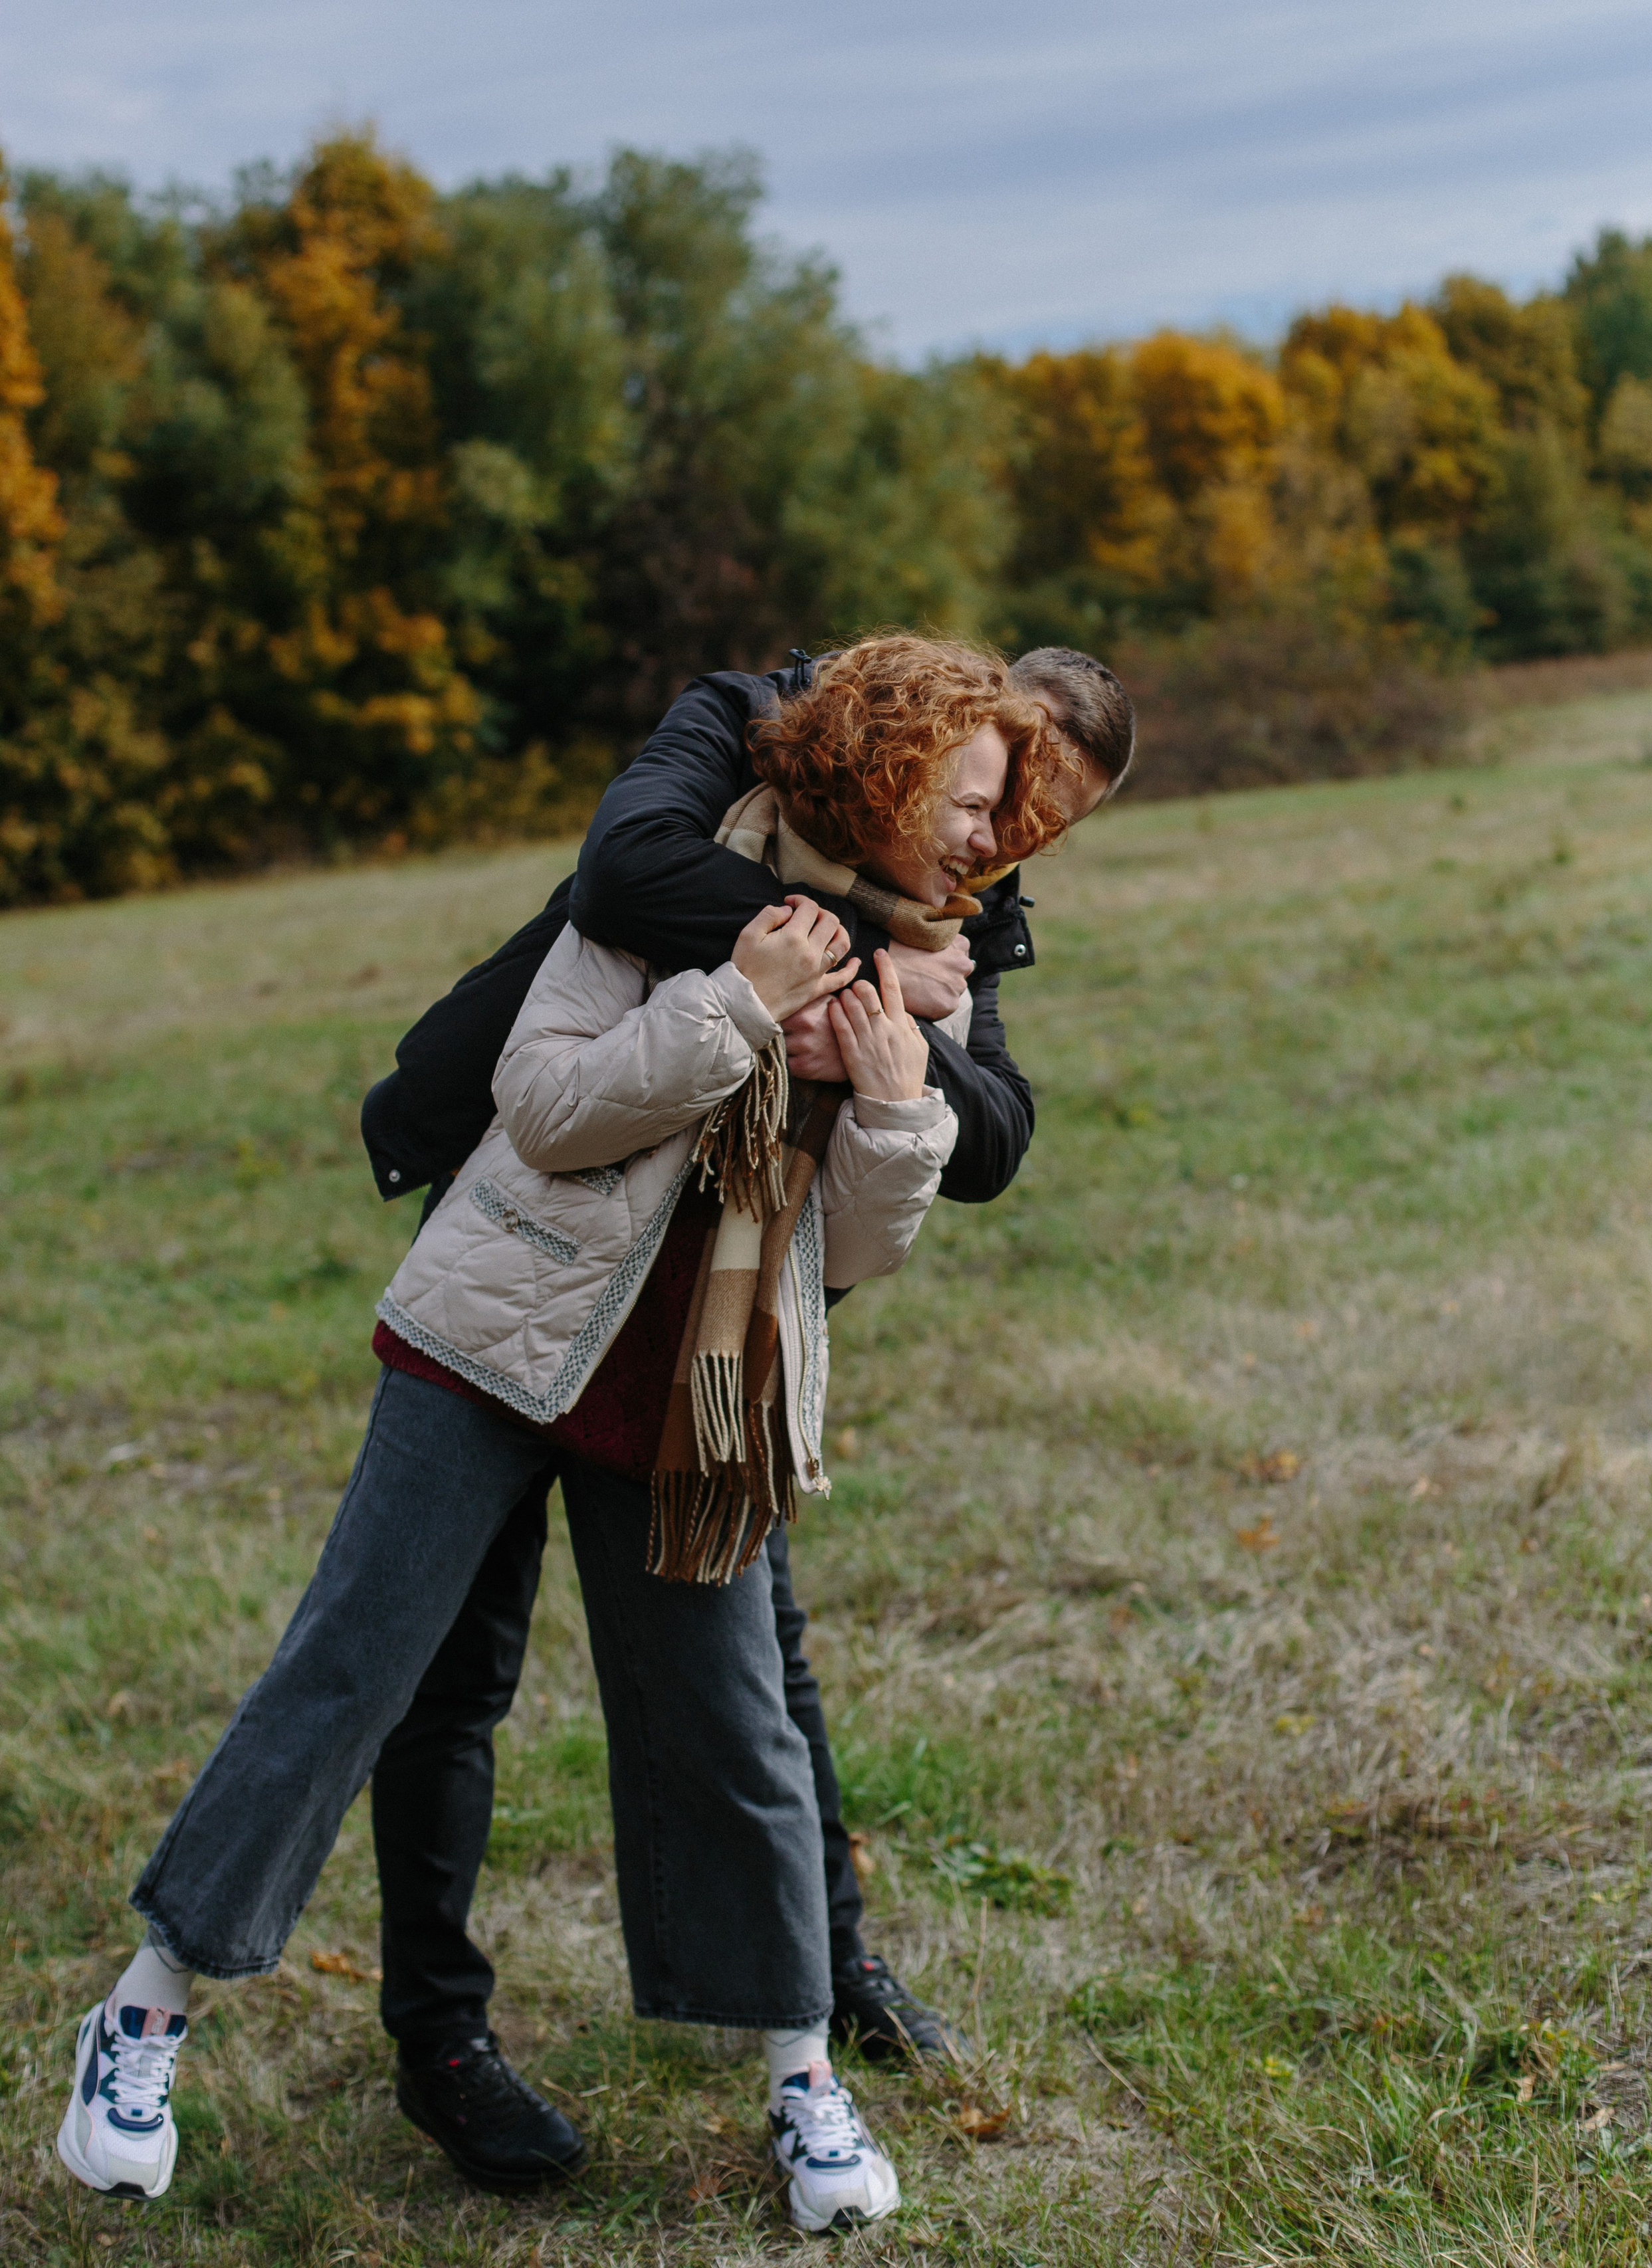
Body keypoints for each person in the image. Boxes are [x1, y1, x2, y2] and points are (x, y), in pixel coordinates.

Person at [58, 637, 1065, 2235]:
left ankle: (802, 2077)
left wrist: (889, 1106)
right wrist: (744, 1007)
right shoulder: (688, 881)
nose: (981, 842)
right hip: (495, 1338)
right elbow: (544, 1106)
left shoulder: (933, 961)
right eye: (961, 803)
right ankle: (144, 2013)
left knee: (733, 1733)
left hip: (696, 1396)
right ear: (878, 778)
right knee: (353, 1668)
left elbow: (853, 1253)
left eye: (996, 815)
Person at [351, 643, 1135, 2188]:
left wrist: (899, 1043)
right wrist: (850, 954)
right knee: (446, 1660)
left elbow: (992, 1134)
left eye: (1044, 822)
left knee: (754, 1661)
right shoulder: (746, 722)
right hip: (549, 1233)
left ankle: (821, 1976)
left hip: (718, 1317)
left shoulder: (968, 881)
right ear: (963, 720)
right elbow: (627, 874)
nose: (1007, 838)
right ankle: (439, 2036)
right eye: (1005, 789)